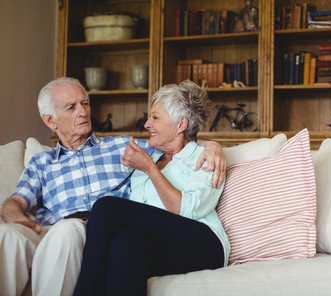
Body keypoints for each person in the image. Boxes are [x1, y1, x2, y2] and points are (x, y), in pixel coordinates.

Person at [0, 77, 226, 296]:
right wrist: (13, 214)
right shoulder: (42, 163)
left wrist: (213, 145)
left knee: (103, 209)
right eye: (71, 107)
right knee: (125, 245)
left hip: (105, 226)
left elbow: (180, 143)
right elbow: (16, 200)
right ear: (50, 120)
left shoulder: (123, 148)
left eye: (85, 103)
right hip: (98, 232)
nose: (83, 111)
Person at [73, 81, 230, 296]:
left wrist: (149, 168)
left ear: (181, 124)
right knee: (125, 243)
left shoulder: (203, 158)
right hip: (163, 246)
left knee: (106, 207)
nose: (147, 124)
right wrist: (148, 166)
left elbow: (187, 209)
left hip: (204, 244)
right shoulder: (148, 160)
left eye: (155, 118)